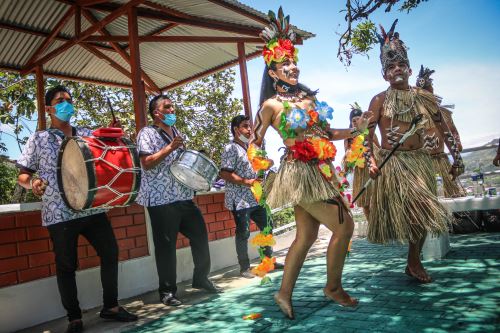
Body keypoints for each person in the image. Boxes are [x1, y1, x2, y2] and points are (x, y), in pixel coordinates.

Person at [251, 7, 369, 319]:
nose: (292, 67)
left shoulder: (308, 100)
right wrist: (259, 162)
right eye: (284, 63)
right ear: (273, 72)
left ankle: (283, 293)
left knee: (306, 236)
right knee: (345, 227)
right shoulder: (270, 105)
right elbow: (255, 140)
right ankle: (332, 287)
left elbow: (327, 132)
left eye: (293, 61)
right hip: (297, 173)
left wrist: (358, 128)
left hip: (320, 169)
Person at [16, 86, 137, 333]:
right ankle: (74, 317)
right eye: (60, 101)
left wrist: (115, 134)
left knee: (110, 252)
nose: (66, 104)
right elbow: (23, 175)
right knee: (67, 265)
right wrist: (33, 183)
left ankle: (111, 307)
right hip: (59, 211)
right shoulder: (38, 139)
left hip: (91, 208)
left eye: (69, 100)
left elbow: (111, 155)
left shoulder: (87, 135)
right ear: (49, 108)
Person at [366, 20, 464, 283]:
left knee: (423, 211)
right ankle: (413, 259)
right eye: (390, 67)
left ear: (409, 69)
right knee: (418, 208)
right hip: (395, 164)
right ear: (384, 74)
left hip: (421, 162)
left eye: (400, 65)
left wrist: (458, 158)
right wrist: (371, 161)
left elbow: (443, 127)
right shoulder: (379, 100)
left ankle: (413, 259)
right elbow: (366, 135)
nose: (396, 69)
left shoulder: (423, 96)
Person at [136, 94, 222, 307]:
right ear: (156, 113)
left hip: (183, 197)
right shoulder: (146, 133)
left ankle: (200, 278)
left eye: (173, 106)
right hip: (160, 199)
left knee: (200, 235)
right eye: (167, 107)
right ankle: (167, 292)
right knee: (166, 247)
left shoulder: (176, 132)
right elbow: (146, 162)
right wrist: (170, 148)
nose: (172, 110)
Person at [219, 115, 284, 279]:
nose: (250, 130)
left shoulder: (252, 148)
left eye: (250, 127)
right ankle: (244, 267)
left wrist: (266, 164)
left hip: (256, 197)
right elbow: (224, 173)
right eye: (246, 126)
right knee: (243, 232)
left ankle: (268, 260)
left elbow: (259, 167)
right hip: (239, 200)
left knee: (267, 226)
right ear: (236, 129)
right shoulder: (230, 148)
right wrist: (245, 181)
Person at [416, 65, 465, 197]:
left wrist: (457, 142)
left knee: (450, 197)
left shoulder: (443, 112)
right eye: (424, 91)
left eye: (429, 89)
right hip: (423, 163)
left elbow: (453, 130)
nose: (428, 93)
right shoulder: (413, 114)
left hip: (441, 160)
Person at [343, 103, 380, 220]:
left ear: (362, 119)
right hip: (359, 171)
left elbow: (378, 148)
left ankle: (380, 224)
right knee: (365, 202)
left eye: (357, 119)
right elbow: (346, 156)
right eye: (353, 120)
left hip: (372, 167)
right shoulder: (348, 136)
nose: (355, 122)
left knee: (376, 199)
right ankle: (371, 226)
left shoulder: (369, 132)